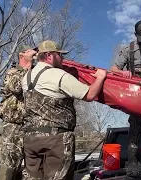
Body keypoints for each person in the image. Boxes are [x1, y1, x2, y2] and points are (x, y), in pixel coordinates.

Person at [21, 40, 107, 180]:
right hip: (55, 141)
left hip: (31, 140)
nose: (63, 58)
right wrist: (100, 78)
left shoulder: (27, 77)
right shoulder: (59, 75)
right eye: (59, 55)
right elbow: (90, 94)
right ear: (49, 55)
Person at [110, 20, 141, 179]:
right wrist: (122, 73)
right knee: (136, 124)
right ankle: (133, 161)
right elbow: (114, 69)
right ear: (136, 35)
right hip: (136, 93)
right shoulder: (128, 50)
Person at [0, 45, 37, 180]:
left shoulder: (35, 74)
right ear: (22, 55)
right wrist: (29, 65)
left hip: (30, 125)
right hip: (13, 123)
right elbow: (16, 88)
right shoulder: (13, 72)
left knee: (30, 164)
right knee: (9, 162)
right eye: (31, 52)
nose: (35, 54)